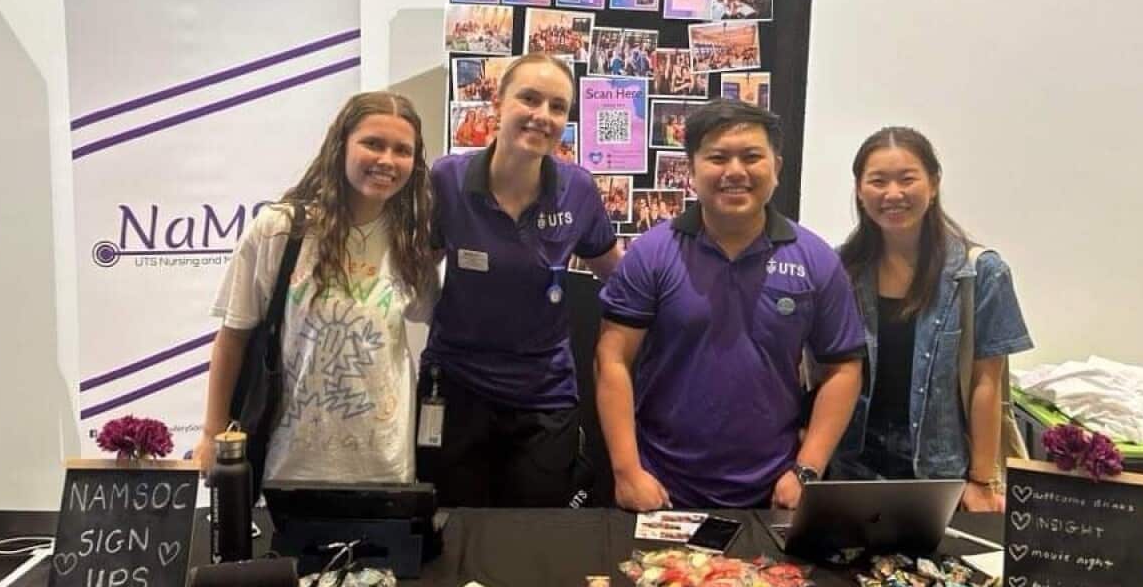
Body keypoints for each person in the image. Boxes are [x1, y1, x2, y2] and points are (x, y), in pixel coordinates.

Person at [595, 100, 865, 509]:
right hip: (662, 489)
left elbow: (844, 368)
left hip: (773, 491)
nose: (735, 171)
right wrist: (628, 472)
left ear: (776, 166)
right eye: (717, 157)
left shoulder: (816, 259)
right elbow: (611, 359)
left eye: (752, 156)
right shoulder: (652, 253)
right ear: (691, 170)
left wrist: (807, 469)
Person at [196, 92, 438, 486]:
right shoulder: (280, 229)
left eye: (402, 150)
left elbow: (433, 319)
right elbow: (233, 338)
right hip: (289, 465)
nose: (387, 160)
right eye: (373, 143)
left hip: (386, 468)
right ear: (340, 145)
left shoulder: (412, 240)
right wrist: (211, 433)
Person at [421, 53, 623, 507]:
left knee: (539, 530)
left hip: (543, 393)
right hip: (455, 386)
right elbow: (413, 269)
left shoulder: (578, 189)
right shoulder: (447, 180)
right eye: (529, 99)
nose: (543, 116)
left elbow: (620, 275)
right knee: (454, 525)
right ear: (497, 104)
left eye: (557, 107)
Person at [832, 127, 1033, 512]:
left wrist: (981, 479)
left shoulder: (981, 272)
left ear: (934, 183)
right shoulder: (840, 269)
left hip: (941, 474)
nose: (893, 194)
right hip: (850, 470)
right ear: (859, 189)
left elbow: (986, 382)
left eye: (907, 179)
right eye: (878, 181)